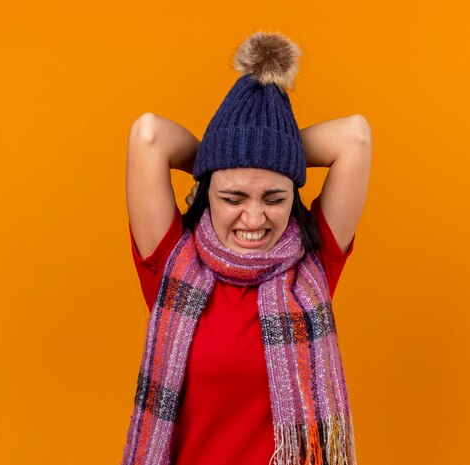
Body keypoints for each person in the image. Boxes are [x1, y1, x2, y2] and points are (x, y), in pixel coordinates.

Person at [121, 31, 372, 465]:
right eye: (233, 198)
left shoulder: (312, 264)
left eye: (274, 199)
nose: (254, 219)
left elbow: (356, 138)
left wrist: (271, 151)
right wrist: (220, 153)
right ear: (206, 191)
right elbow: (148, 136)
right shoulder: (171, 263)